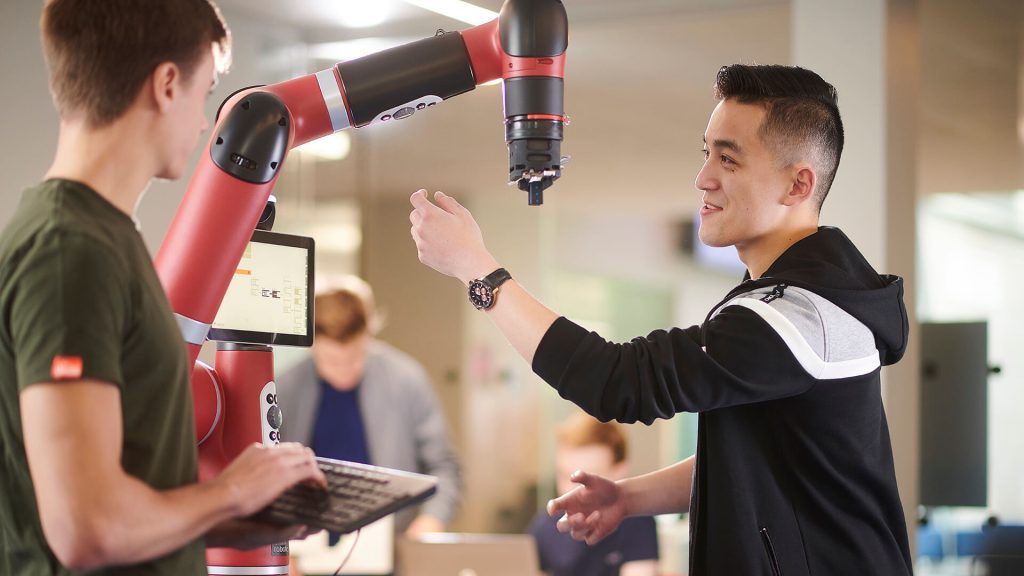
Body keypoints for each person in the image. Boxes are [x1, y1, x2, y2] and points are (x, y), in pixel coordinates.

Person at [409, 64, 913, 575]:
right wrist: (628, 499)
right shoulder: (800, 305)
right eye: (706, 153)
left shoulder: (798, 318)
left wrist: (480, 273)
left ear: (798, 184)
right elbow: (759, 461)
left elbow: (618, 380)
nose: (703, 178)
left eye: (729, 159)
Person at [0, 1, 328, 574]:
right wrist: (230, 490)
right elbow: (89, 531)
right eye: (205, 97)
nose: (205, 125)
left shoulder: (102, 238)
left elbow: (129, 501)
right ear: (167, 85)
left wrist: (243, 518)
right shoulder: (69, 250)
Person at [277, 276, 462, 538]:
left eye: (354, 358)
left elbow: (444, 467)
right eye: (331, 360)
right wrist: (281, 548)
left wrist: (431, 521)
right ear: (311, 343)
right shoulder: (285, 389)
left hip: (392, 547)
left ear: (369, 332)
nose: (343, 370)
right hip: (305, 548)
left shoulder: (407, 381)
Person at [529, 413, 658, 576]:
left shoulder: (638, 523)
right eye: (564, 476)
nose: (573, 490)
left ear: (619, 470)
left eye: (588, 478)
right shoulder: (544, 527)